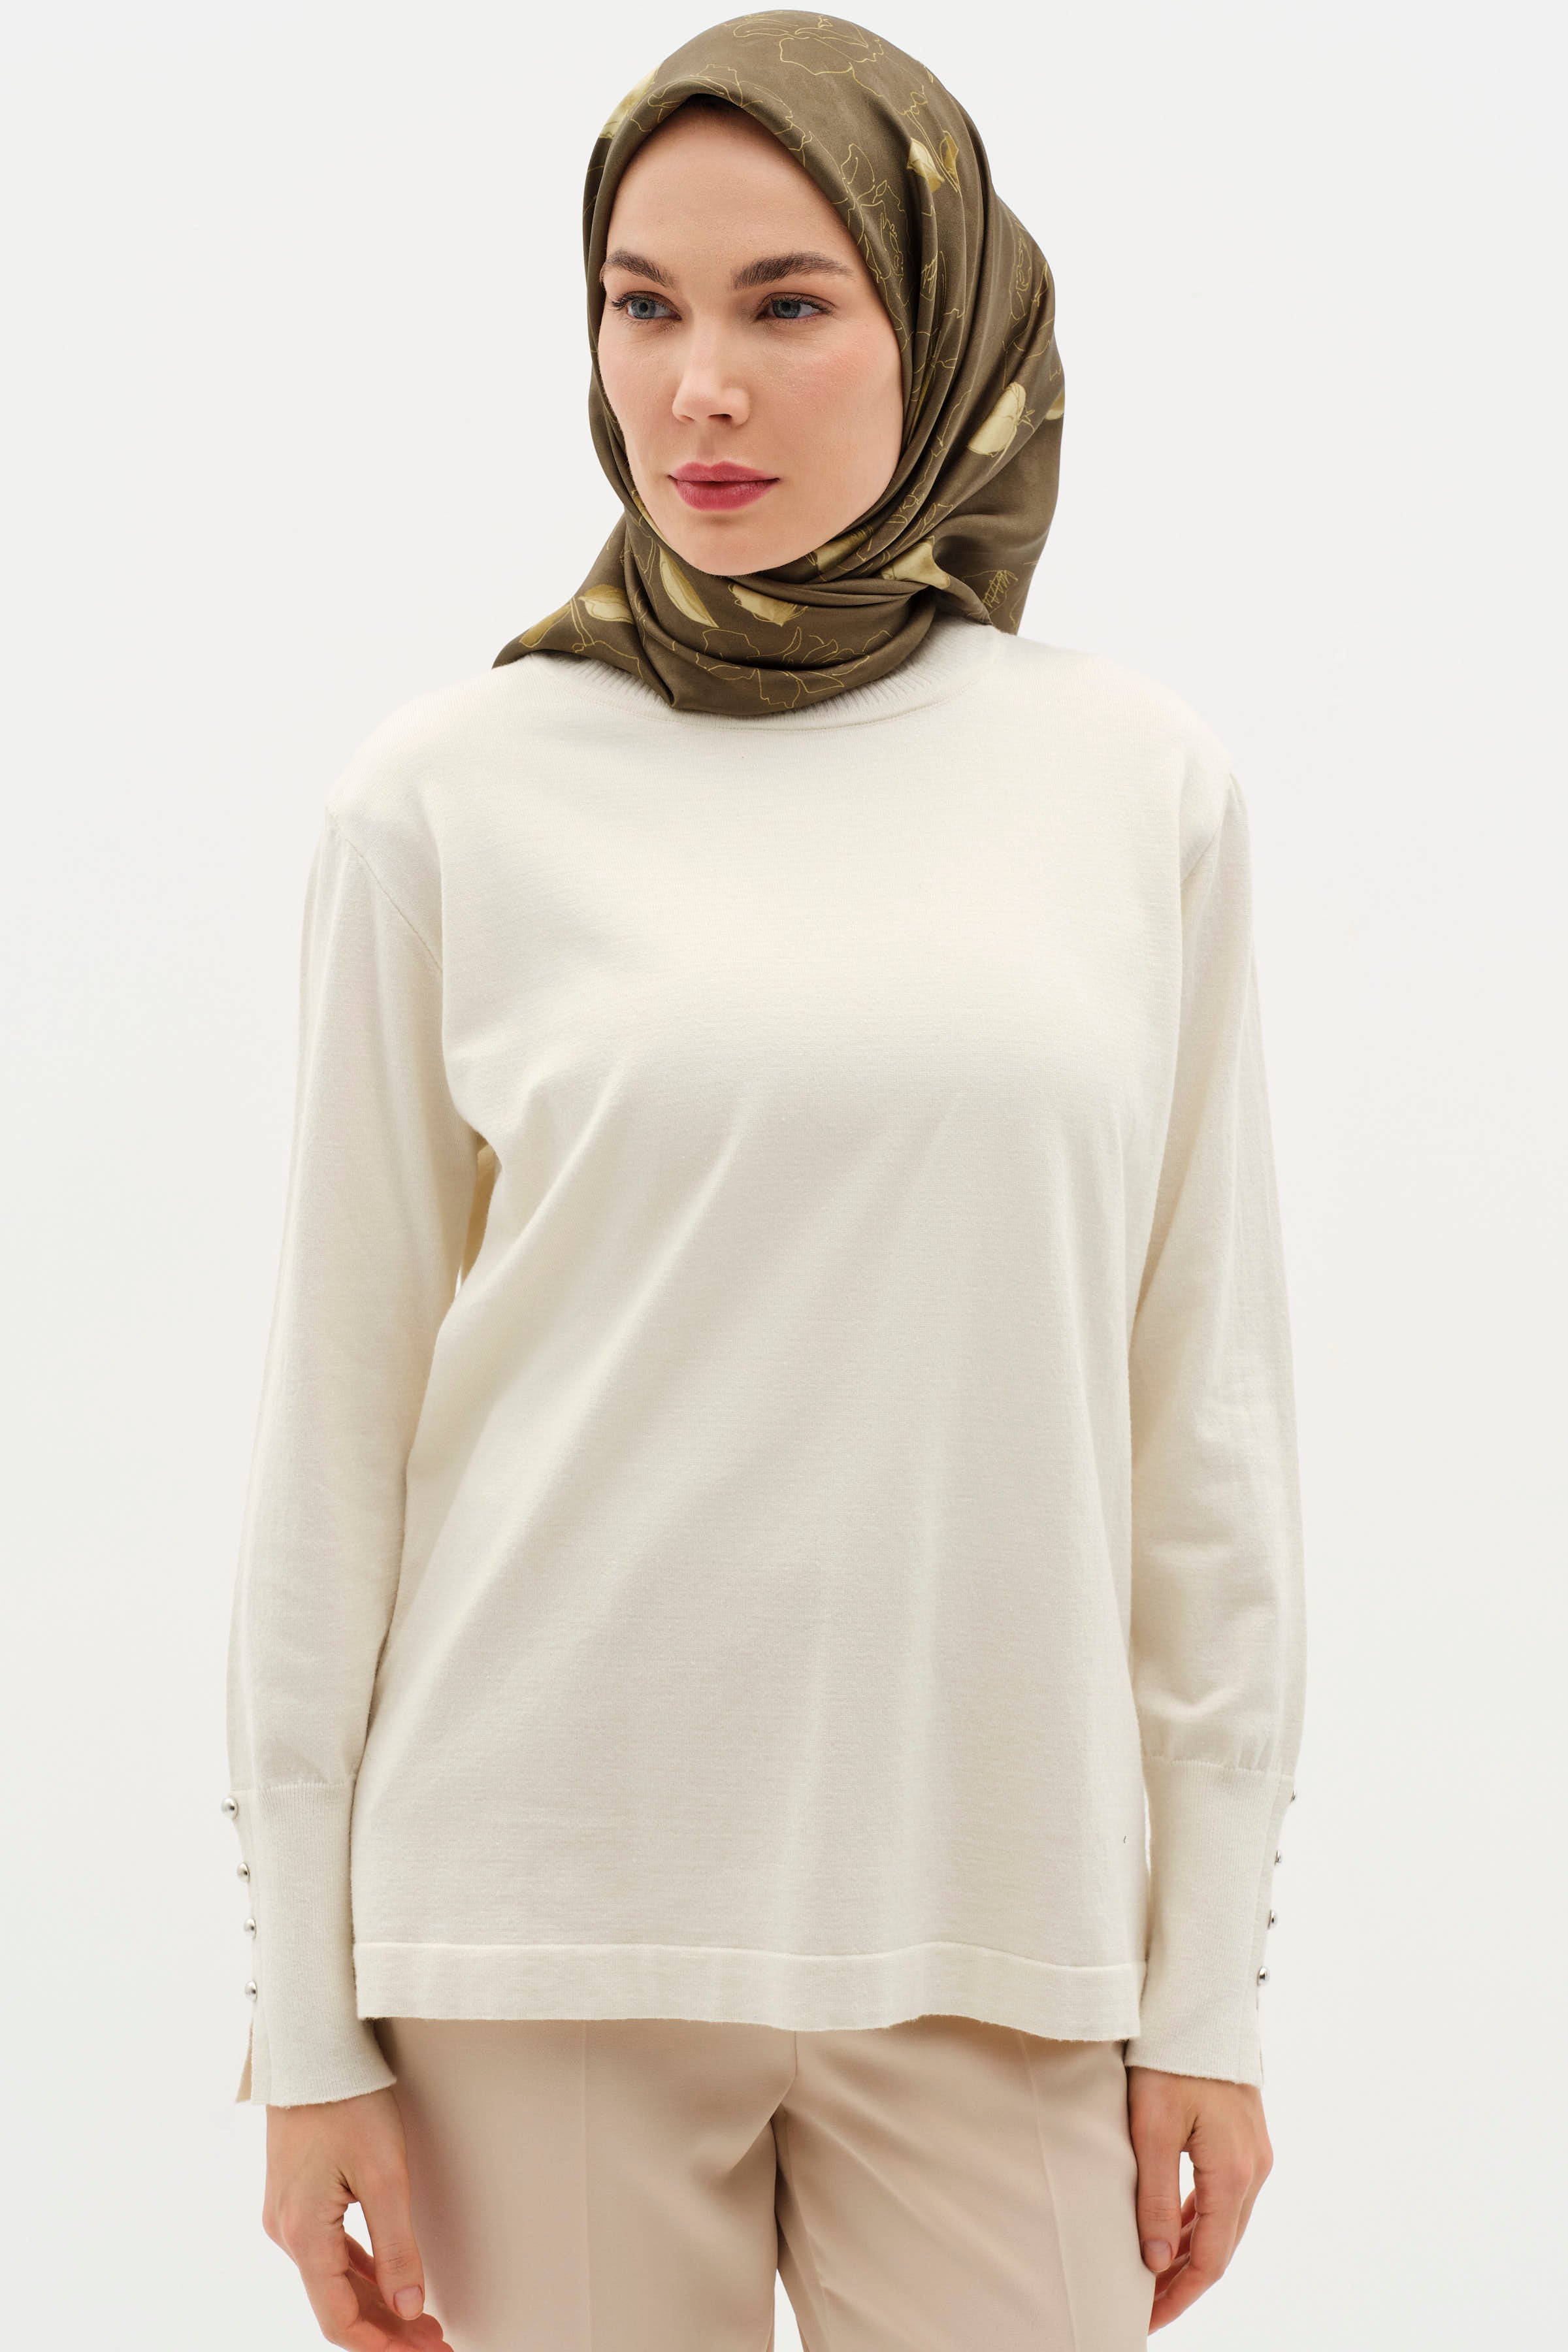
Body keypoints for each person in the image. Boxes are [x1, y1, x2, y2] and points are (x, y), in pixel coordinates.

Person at [223, 14, 1307, 2349]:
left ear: (944, 320)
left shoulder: (1136, 791)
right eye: (644, 303)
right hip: (539, 1933)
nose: (697, 386)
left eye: (787, 302)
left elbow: (1203, 1437)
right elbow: (329, 1444)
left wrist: (1207, 1981)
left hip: (1004, 1942)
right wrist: (304, 2024)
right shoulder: (449, 799)